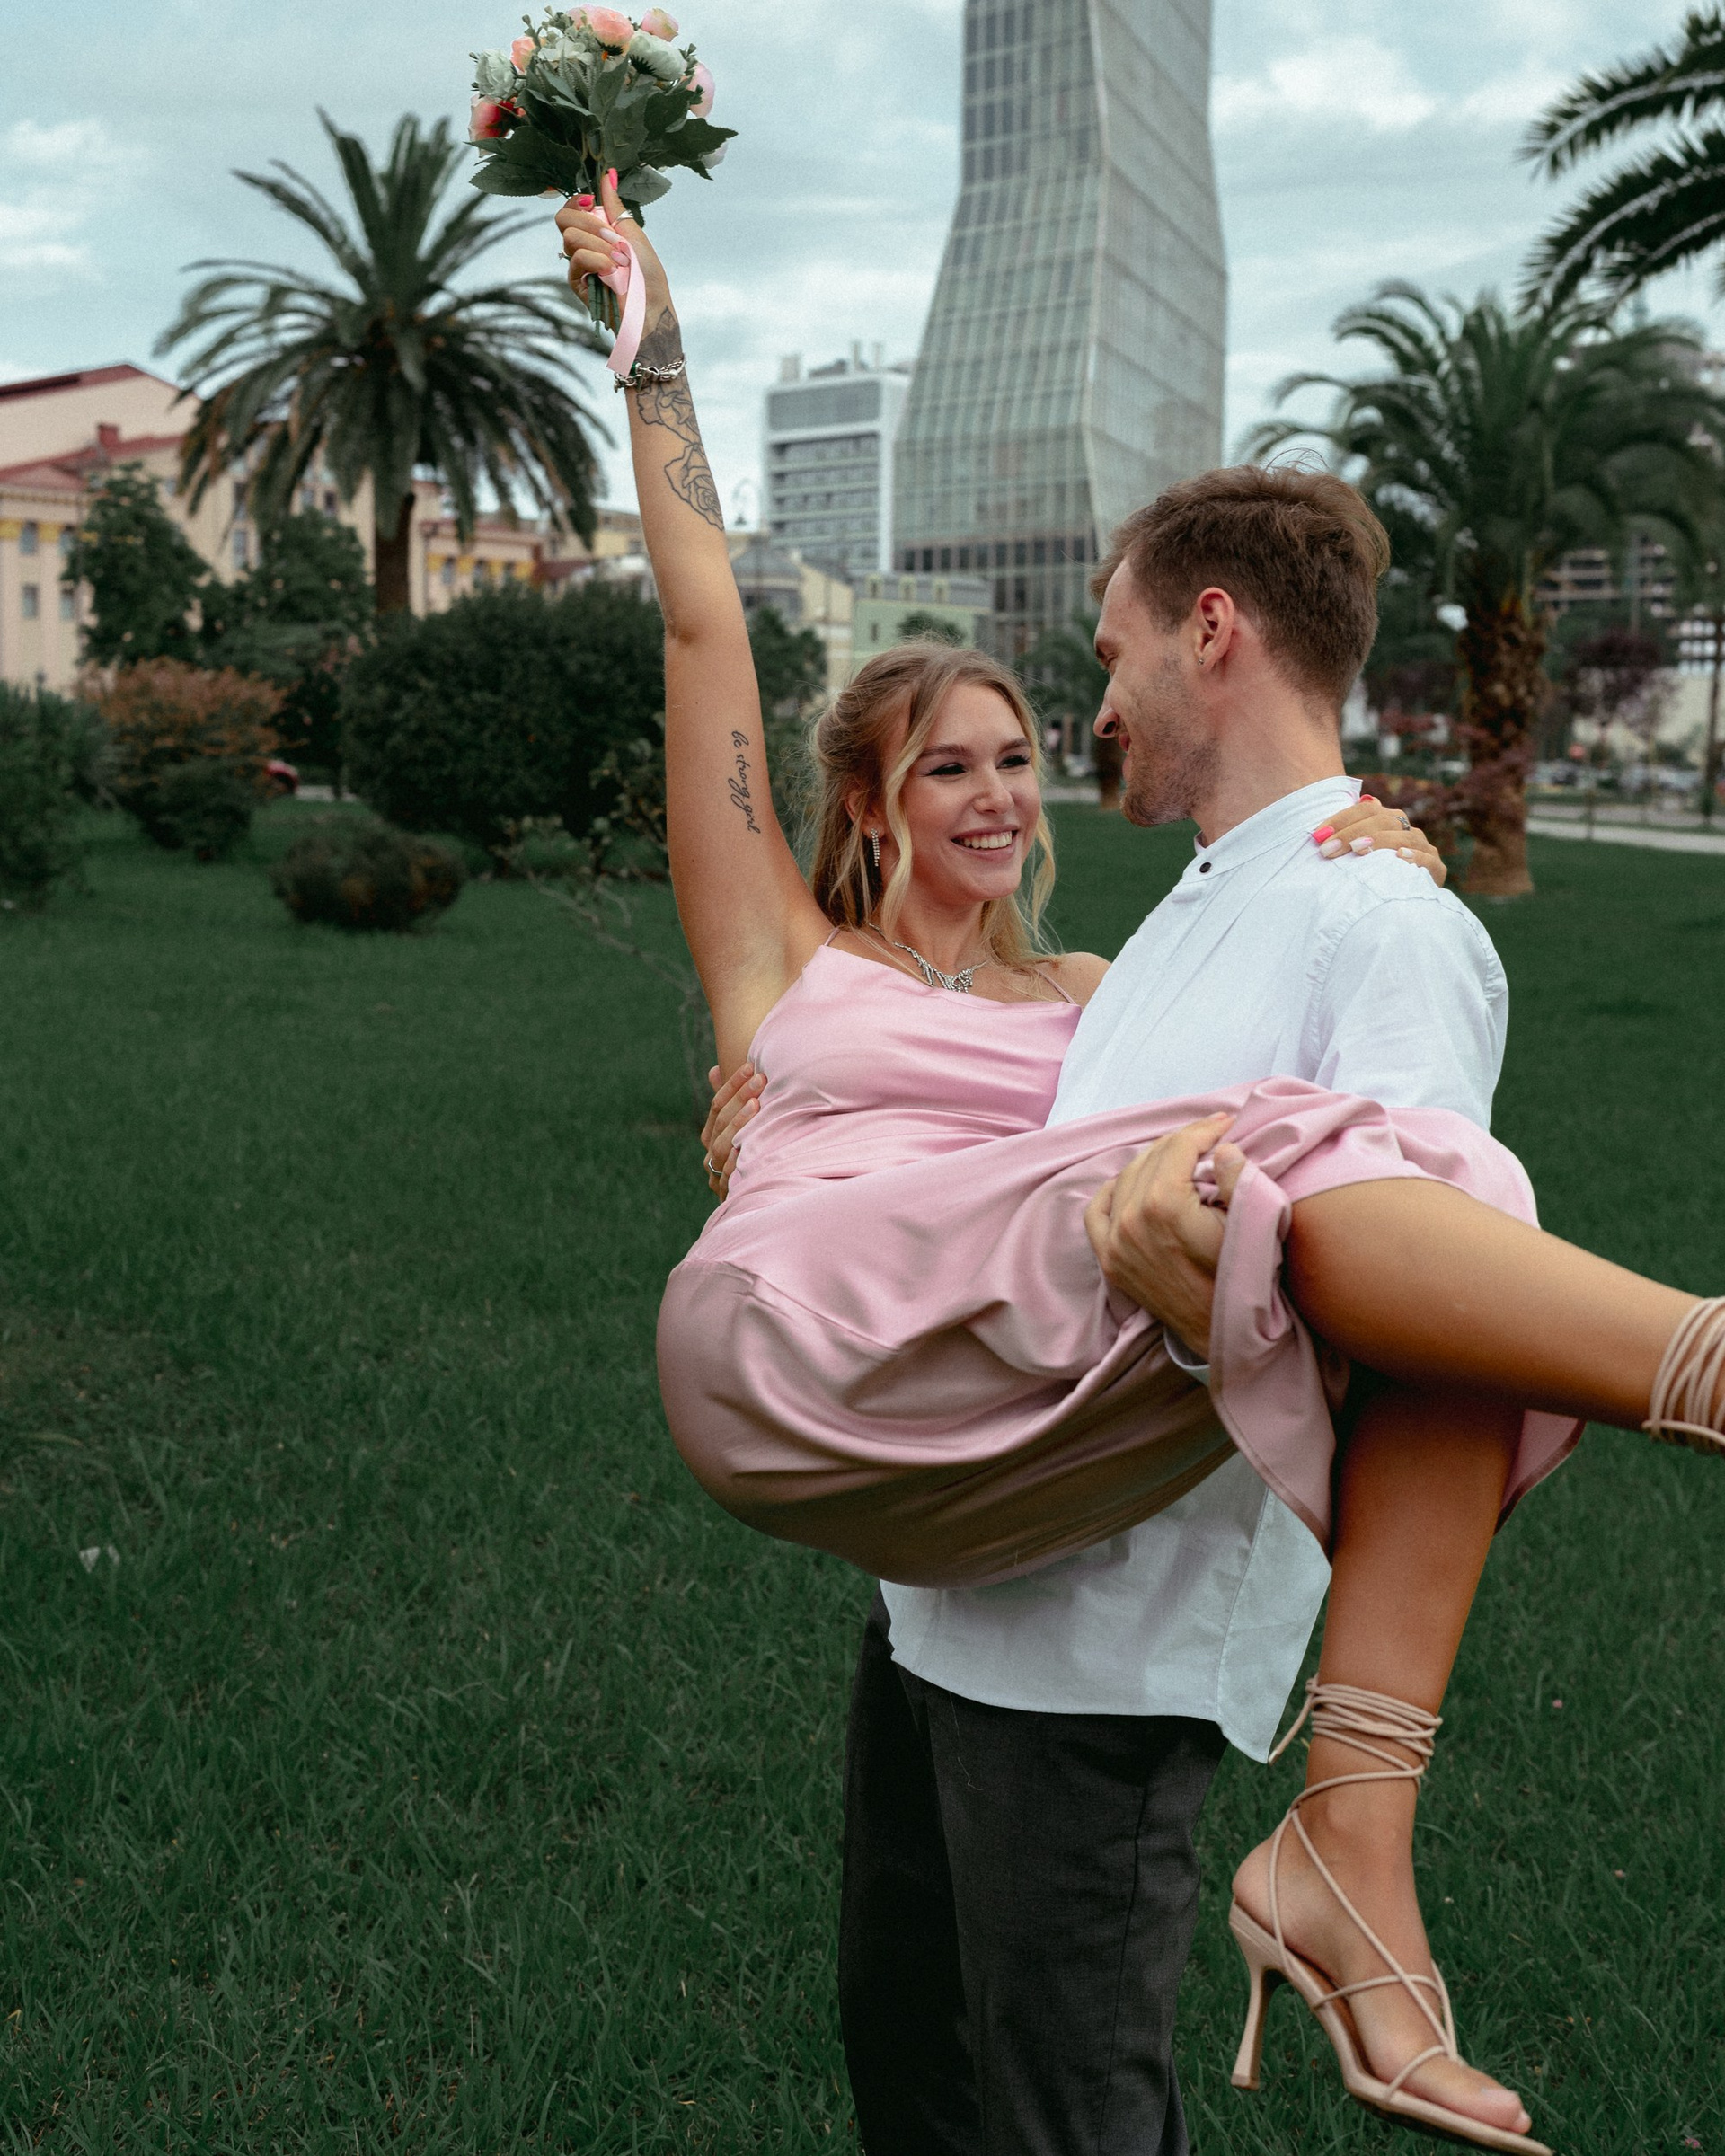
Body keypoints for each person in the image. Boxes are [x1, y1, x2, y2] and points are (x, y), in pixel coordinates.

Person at [557, 183, 1723, 2156]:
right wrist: (653, 345)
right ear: (870, 799)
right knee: (928, 2054)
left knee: (1018, 2095)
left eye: (1048, 720)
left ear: (1209, 633)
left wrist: (1370, 862)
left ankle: (1660, 1410)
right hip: (830, 1399)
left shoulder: (1142, 979)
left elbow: (1404, 1259)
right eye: (954, 761)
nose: (1040, 760)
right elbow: (701, 625)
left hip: (1047, 1556)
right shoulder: (865, 966)